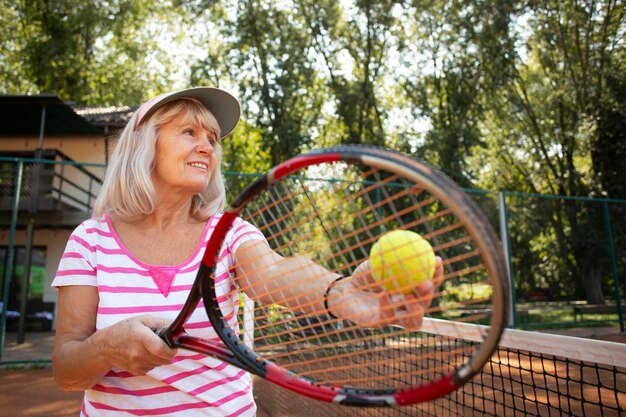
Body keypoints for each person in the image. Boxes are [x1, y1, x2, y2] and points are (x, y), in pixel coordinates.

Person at [52, 87, 441, 416]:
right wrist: (105, 347)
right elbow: (67, 371)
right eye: (189, 131)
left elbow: (274, 274)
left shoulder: (229, 234)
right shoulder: (91, 240)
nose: (206, 145)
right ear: (143, 145)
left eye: (213, 138)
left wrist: (340, 291)